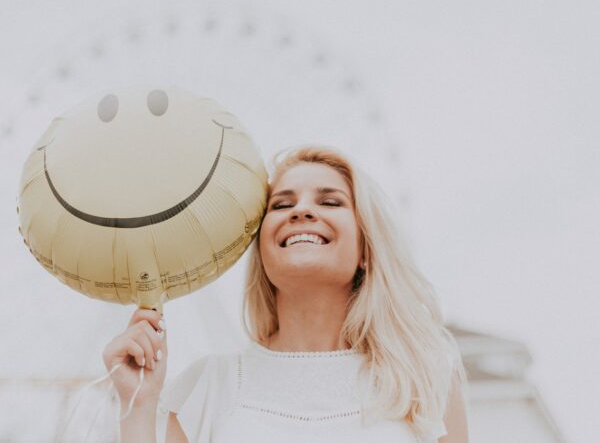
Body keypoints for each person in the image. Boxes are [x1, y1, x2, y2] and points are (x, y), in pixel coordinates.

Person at [103, 146, 469, 443]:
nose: (302, 210)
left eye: (330, 202)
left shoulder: (423, 376)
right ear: (262, 251)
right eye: (281, 205)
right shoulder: (210, 387)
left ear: (366, 251)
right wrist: (137, 404)